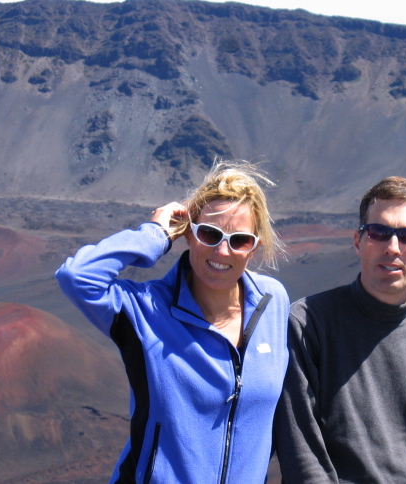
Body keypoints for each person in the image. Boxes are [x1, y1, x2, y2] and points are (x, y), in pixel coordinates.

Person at [56, 161, 289, 484]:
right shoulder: (145, 311)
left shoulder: (273, 303)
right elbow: (77, 276)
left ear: (254, 248)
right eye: (209, 234)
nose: (223, 251)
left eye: (239, 240)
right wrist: (155, 234)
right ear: (189, 235)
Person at [274, 176, 406, 483]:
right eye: (379, 232)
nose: (392, 248)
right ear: (359, 241)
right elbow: (298, 445)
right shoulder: (307, 323)